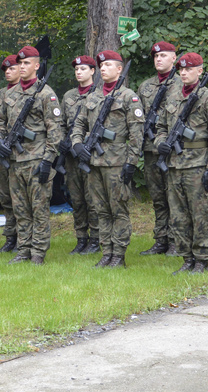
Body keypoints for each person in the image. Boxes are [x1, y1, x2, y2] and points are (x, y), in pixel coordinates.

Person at [70, 50, 144, 268]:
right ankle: (107, 252)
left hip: (117, 162)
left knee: (118, 209)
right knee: (100, 209)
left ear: (119, 69)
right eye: (101, 66)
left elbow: (136, 134)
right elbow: (78, 124)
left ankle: (119, 254)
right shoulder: (92, 97)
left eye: (108, 65)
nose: (103, 69)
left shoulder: (128, 97)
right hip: (94, 162)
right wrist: (77, 144)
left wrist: (131, 163)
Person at [154, 52, 208, 274]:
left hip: (198, 165)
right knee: (179, 215)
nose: (183, 73)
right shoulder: (172, 95)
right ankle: (187, 258)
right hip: (175, 165)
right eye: (181, 69)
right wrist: (161, 143)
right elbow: (161, 127)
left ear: (200, 71)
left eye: (189, 69)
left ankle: (202, 259)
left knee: (200, 214)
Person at [0, 46, 63, 265]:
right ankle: (23, 249)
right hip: (15, 161)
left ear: (36, 66)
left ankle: (38, 252)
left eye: (26, 64)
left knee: (39, 209)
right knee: (20, 209)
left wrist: (48, 160)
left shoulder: (46, 94)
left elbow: (55, 131)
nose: (21, 67)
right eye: (19, 63)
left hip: (37, 160)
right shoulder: (9, 94)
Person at [136, 41, 178, 256]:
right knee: (158, 198)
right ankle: (161, 239)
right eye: (156, 56)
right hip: (151, 149)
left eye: (163, 56)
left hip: (174, 150)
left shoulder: (181, 83)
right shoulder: (145, 86)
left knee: (175, 197)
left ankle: (176, 241)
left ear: (174, 58)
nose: (159, 59)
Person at [60, 55, 99, 255]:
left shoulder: (99, 94)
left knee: (92, 198)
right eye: (76, 69)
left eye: (83, 69)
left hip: (89, 153)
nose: (79, 72)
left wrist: (82, 141)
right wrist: (62, 142)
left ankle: (96, 239)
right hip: (71, 156)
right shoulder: (68, 96)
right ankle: (81, 238)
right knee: (76, 198)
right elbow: (61, 123)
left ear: (93, 71)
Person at [0, 54, 21, 253]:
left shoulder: (27, 92)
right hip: (1, 155)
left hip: (18, 154)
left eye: (12, 68)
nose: (8, 72)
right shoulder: (0, 94)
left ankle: (24, 239)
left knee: (20, 199)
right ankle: (10, 238)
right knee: (5, 197)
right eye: (6, 70)